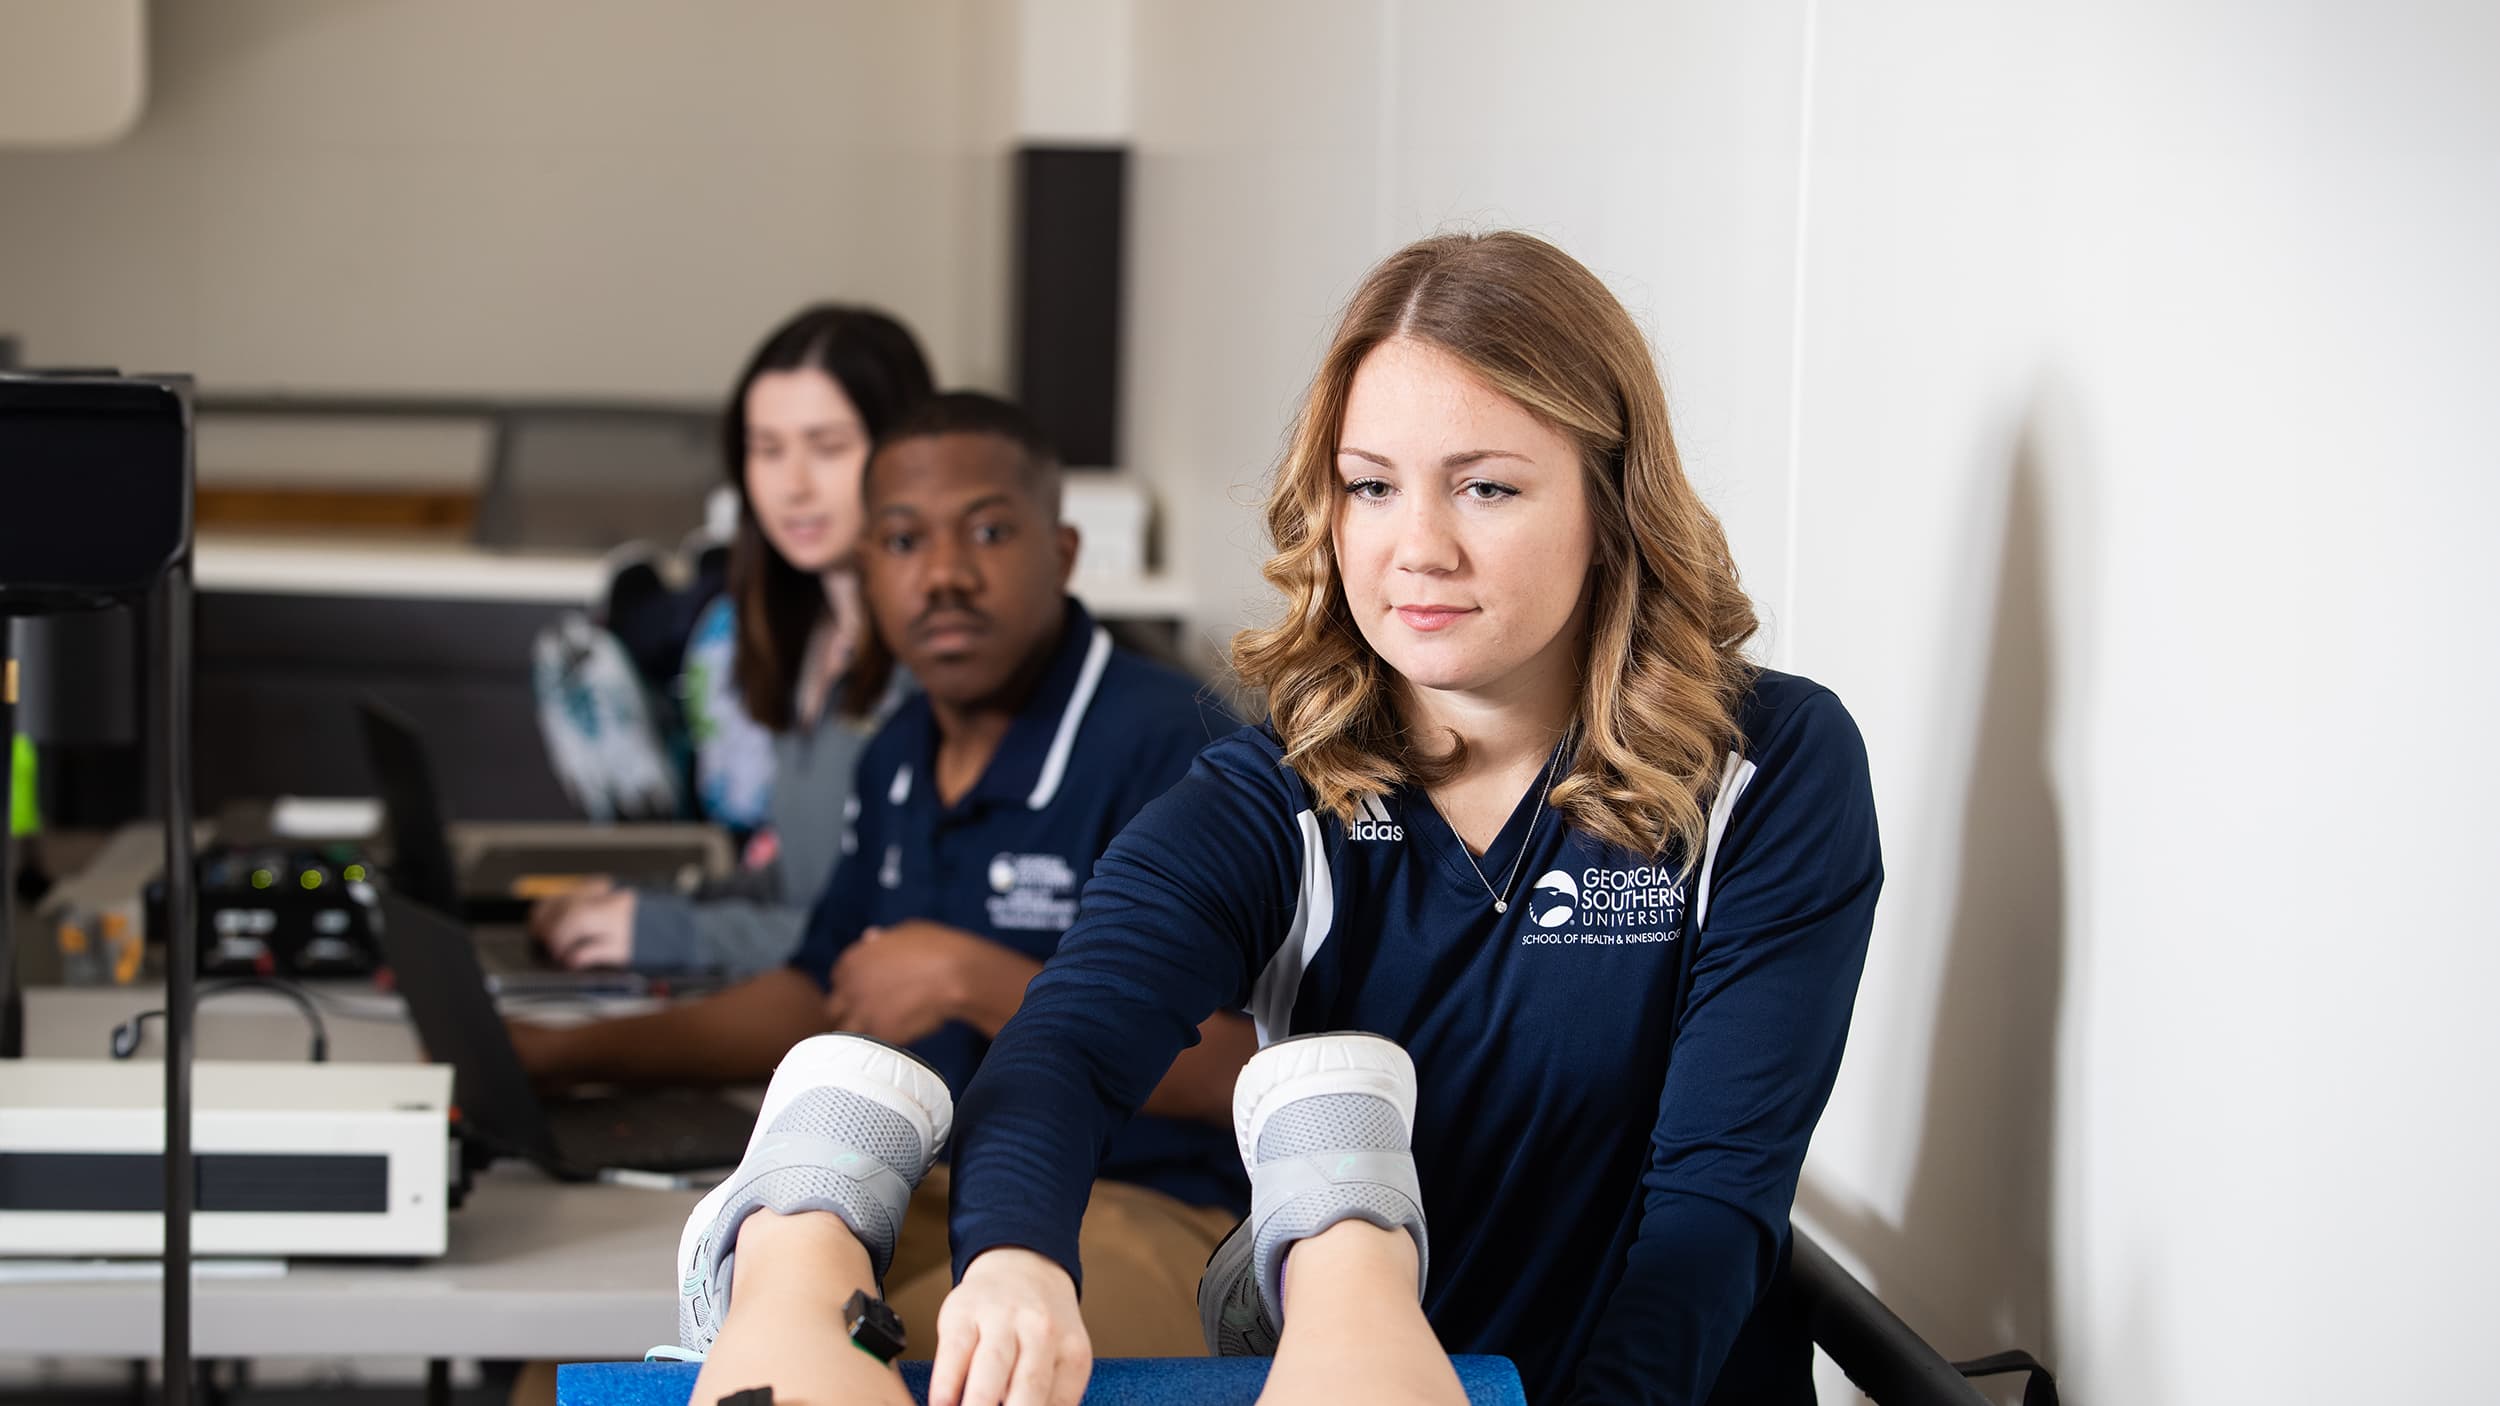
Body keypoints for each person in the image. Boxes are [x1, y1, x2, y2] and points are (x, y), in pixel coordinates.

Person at [663, 232, 1882, 1406]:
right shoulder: (1274, 794)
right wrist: (1018, 1256)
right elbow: (1068, 1047)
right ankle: (788, 1223)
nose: (1419, 548)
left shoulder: (1763, 767)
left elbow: (1712, 1199)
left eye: (1488, 487)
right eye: (1371, 486)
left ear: (1609, 502)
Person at [513, 392, 1257, 1358]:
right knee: (593, 1353)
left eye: (987, 531)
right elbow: (824, 991)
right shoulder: (898, 751)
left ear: (1064, 553)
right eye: (902, 542)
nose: (943, 575)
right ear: (868, 568)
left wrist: (974, 981)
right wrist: (564, 1058)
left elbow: (1250, 1067)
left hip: (1142, 1205)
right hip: (916, 1186)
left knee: (889, 1365)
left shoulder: (1173, 745)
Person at [531, 304, 934, 975]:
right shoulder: (801, 635)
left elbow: (883, 947)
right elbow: (803, 888)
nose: (793, 485)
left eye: (828, 448)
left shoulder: (938, 668)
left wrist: (663, 932)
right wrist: (639, 908)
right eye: (767, 449)